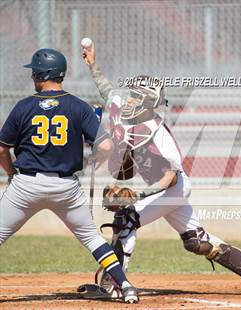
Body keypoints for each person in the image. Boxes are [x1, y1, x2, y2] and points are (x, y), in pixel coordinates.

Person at [80, 43, 241, 298]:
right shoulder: (121, 108)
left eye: (137, 97)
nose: (130, 99)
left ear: (149, 103)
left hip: (171, 187)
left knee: (126, 220)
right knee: (196, 241)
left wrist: (137, 194)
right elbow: (106, 90)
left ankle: (112, 285)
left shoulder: (158, 133)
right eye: (132, 94)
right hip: (161, 190)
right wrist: (93, 64)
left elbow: (170, 178)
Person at [0, 48, 138, 304]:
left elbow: (1, 148)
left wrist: (10, 174)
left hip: (26, 185)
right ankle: (126, 286)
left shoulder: (23, 106)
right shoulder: (78, 106)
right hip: (65, 187)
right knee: (92, 239)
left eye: (34, 71)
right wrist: (96, 159)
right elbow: (106, 146)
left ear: (41, 74)